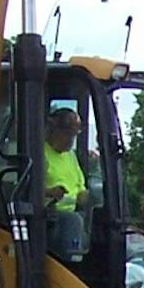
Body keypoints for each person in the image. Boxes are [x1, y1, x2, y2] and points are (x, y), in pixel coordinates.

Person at [43, 107, 91, 260]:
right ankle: (70, 261)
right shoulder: (40, 153)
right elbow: (29, 188)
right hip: (48, 218)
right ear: (53, 130)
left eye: (75, 135)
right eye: (68, 134)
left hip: (74, 213)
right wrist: (49, 192)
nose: (71, 140)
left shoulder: (70, 156)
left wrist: (86, 195)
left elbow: (80, 187)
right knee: (73, 221)